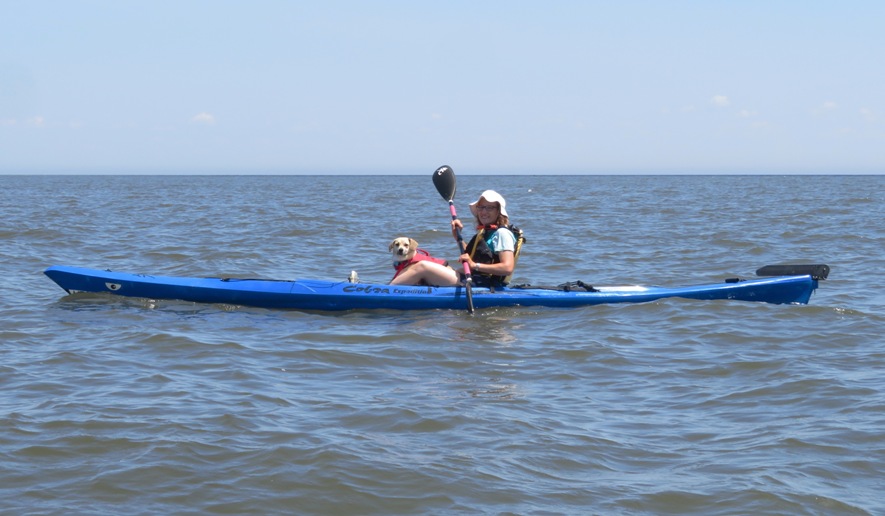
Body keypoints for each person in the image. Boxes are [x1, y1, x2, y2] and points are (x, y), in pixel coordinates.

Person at [390, 190, 517, 287]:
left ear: (499, 211)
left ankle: (385, 291)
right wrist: (459, 238)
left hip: (482, 284)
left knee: (423, 266)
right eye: (481, 207)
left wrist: (474, 265)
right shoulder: (487, 232)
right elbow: (476, 256)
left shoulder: (502, 234)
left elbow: (507, 268)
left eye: (489, 208)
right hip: (472, 278)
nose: (484, 212)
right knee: (420, 266)